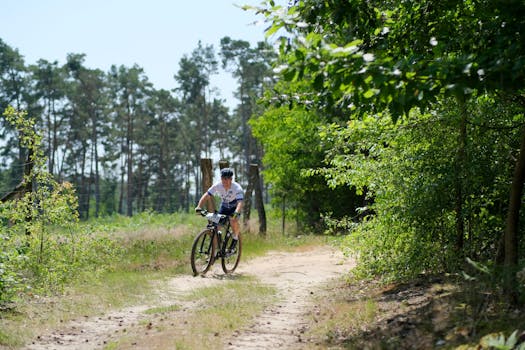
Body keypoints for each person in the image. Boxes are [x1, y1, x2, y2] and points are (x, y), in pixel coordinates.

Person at [195, 167, 243, 252]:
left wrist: (236, 212)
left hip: (234, 207)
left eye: (227, 179)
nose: (225, 181)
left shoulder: (237, 188)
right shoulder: (218, 185)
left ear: (231, 179)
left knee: (233, 220)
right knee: (216, 224)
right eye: (223, 179)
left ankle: (235, 238)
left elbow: (240, 203)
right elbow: (207, 195)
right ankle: (216, 248)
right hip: (224, 207)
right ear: (221, 178)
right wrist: (199, 206)